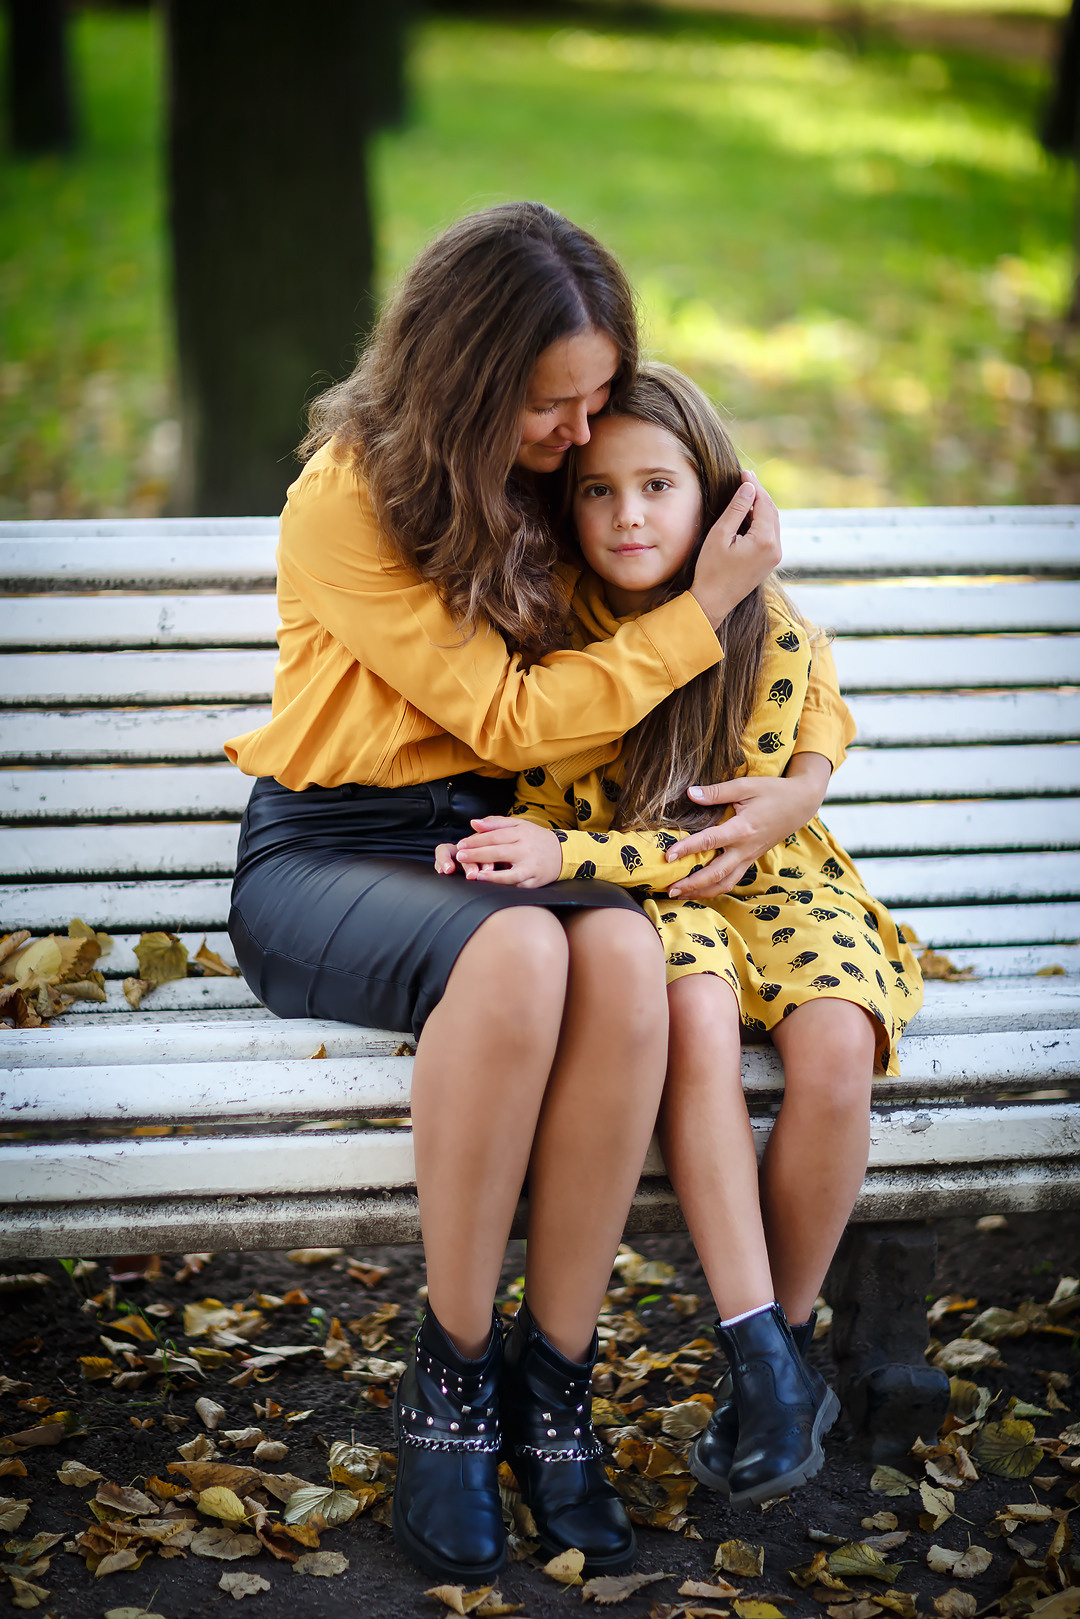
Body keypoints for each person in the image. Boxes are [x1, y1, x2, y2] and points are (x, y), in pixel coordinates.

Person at [223, 204, 783, 1582]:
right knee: (531, 953)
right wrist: (694, 616)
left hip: (496, 846)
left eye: (597, 395)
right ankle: (452, 1379)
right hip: (330, 854)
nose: (581, 433)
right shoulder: (348, 497)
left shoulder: (554, 471)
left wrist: (797, 774)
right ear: (469, 378)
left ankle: (557, 1377)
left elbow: (713, 599)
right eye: (553, 403)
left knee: (619, 955)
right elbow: (510, 712)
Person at [442, 363, 924, 1511]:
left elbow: (712, 837)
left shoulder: (770, 633)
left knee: (838, 1045)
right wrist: (570, 856)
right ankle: (758, 1348)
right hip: (649, 907)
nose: (630, 516)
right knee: (693, 1019)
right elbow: (597, 835)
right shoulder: (557, 641)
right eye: (599, 492)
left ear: (714, 499)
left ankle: (781, 1353)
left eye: (659, 485)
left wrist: (574, 853)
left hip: (768, 877)